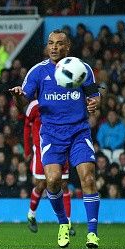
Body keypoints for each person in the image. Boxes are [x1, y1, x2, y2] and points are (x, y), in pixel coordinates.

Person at [9, 29, 101, 249]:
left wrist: (95, 102)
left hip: (79, 131)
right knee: (52, 181)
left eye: (59, 44)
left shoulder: (82, 68)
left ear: (67, 47)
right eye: (50, 43)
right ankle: (63, 223)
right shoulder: (38, 72)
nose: (54, 47)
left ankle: (92, 233)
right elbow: (23, 107)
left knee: (87, 178)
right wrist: (19, 98)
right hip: (51, 134)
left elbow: (94, 94)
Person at [24, 99, 75, 236]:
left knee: (63, 184)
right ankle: (31, 215)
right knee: (42, 185)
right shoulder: (35, 105)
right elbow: (27, 126)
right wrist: (27, 149)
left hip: (61, 147)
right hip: (41, 150)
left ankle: (67, 223)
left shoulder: (62, 100)